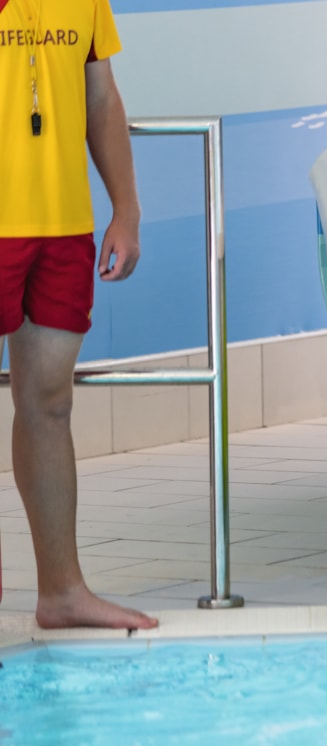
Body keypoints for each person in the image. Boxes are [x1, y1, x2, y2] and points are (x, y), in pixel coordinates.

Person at [0, 0, 157, 629]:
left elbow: (102, 100)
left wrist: (127, 208)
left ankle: (61, 591)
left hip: (63, 228)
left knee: (49, 403)